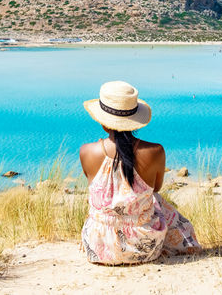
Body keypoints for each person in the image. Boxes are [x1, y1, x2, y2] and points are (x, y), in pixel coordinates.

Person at [80, 81, 200, 265]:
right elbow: (156, 189)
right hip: (144, 248)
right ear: (136, 121)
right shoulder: (155, 151)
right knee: (158, 201)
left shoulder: (87, 151)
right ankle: (187, 243)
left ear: (103, 123)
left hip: (98, 247)